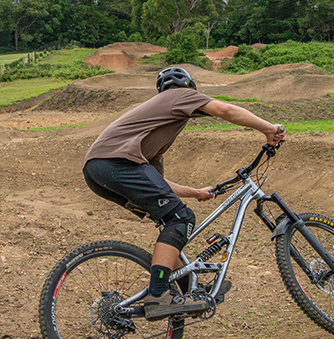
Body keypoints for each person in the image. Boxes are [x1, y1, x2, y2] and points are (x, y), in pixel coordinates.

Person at [83, 66, 286, 321]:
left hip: (99, 170)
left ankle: (192, 291)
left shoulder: (156, 130)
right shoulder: (179, 95)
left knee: (172, 223)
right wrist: (268, 128)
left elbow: (160, 183)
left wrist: (196, 192)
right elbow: (225, 110)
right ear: (190, 87)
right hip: (115, 164)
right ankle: (158, 295)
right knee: (182, 219)